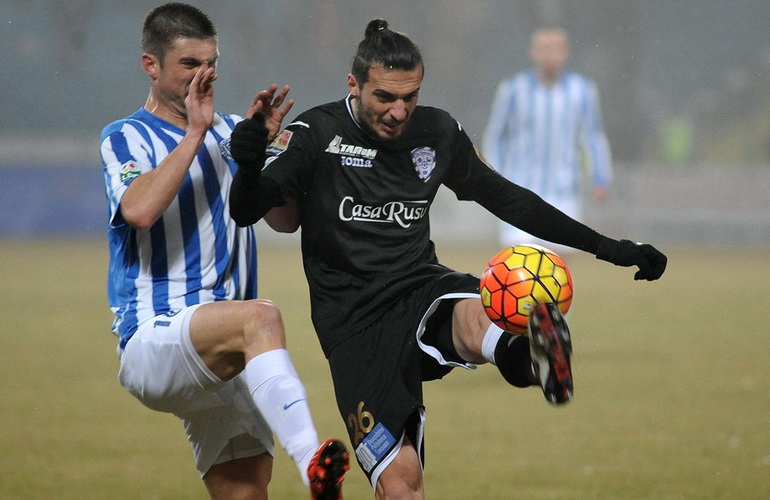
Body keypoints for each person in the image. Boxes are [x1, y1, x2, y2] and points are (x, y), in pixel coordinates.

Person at [228, 19, 667, 499]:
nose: (399, 111)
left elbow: (510, 199)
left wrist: (608, 246)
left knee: (478, 308)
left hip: (419, 285)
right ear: (353, 85)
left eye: (410, 97)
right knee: (402, 485)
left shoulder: (437, 132)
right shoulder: (317, 132)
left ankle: (527, 357)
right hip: (351, 325)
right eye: (385, 98)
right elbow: (248, 209)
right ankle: (521, 355)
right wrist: (249, 162)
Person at [99, 4, 348, 499]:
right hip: (155, 337)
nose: (203, 74)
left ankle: (316, 478)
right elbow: (141, 211)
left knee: (246, 491)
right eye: (189, 64)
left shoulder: (236, 132)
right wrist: (195, 131)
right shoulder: (125, 136)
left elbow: (284, 219)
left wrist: (262, 156)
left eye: (211, 63)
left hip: (222, 355)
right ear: (152, 66)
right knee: (262, 318)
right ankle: (312, 465)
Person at [483, 28, 613, 251]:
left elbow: (593, 135)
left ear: (566, 53)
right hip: (520, 189)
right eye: (544, 50)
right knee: (520, 262)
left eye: (554, 50)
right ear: (533, 53)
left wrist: (600, 178)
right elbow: (496, 136)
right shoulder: (513, 90)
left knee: (559, 265)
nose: (549, 56)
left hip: (564, 190)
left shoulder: (582, 90)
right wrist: (493, 177)